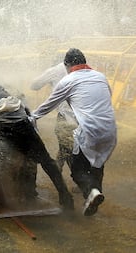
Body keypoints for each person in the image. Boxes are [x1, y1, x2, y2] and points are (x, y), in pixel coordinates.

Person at [31, 48, 117, 216]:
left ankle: (89, 190)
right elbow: (107, 97)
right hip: (110, 130)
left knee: (77, 169)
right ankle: (94, 192)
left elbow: (49, 104)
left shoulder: (68, 79)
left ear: (66, 65)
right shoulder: (101, 76)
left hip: (83, 128)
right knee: (97, 163)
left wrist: (31, 117)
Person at [31, 62, 77, 170]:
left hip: (67, 116)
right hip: (85, 116)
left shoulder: (54, 70)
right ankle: (59, 168)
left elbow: (34, 85)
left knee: (67, 146)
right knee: (67, 146)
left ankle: (80, 180)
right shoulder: (83, 72)